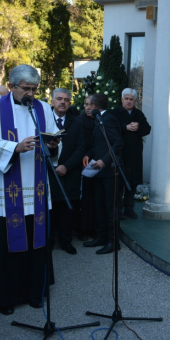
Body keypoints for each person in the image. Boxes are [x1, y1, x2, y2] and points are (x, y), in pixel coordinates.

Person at [0, 65, 60, 315]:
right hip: (5, 191)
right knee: (6, 248)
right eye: (26, 89)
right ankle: (6, 297)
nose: (31, 93)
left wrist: (54, 144)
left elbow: (53, 138)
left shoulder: (43, 108)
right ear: (12, 86)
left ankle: (35, 292)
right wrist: (14, 148)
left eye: (35, 89)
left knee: (36, 245)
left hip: (36, 191)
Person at [82, 93, 123, 254]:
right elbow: (100, 145)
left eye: (88, 104)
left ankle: (113, 242)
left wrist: (104, 160)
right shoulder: (98, 120)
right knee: (99, 206)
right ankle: (101, 236)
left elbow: (118, 143)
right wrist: (89, 154)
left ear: (95, 106)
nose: (86, 107)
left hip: (110, 171)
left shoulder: (108, 119)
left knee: (110, 207)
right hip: (98, 172)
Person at [48, 88, 85, 255]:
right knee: (49, 207)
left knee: (67, 209)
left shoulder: (76, 123)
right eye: (59, 99)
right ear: (53, 101)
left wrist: (66, 166)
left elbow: (80, 148)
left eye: (66, 100)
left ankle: (65, 241)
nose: (62, 102)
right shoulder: (44, 120)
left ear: (70, 103)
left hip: (69, 174)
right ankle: (47, 241)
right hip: (48, 173)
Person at [111, 88, 151, 219]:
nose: (128, 101)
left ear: (135, 101)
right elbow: (110, 129)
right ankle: (117, 210)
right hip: (120, 154)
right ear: (122, 100)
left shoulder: (138, 114)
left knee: (132, 183)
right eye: (126, 99)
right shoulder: (115, 113)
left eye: (131, 99)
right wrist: (125, 127)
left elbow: (147, 129)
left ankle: (129, 208)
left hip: (135, 154)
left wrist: (138, 127)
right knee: (119, 183)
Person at [74, 96, 96, 241]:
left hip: (95, 163)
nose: (88, 107)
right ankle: (81, 228)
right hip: (80, 162)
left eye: (91, 105)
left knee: (92, 198)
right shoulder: (79, 121)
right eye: (86, 104)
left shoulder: (99, 121)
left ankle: (92, 227)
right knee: (81, 198)